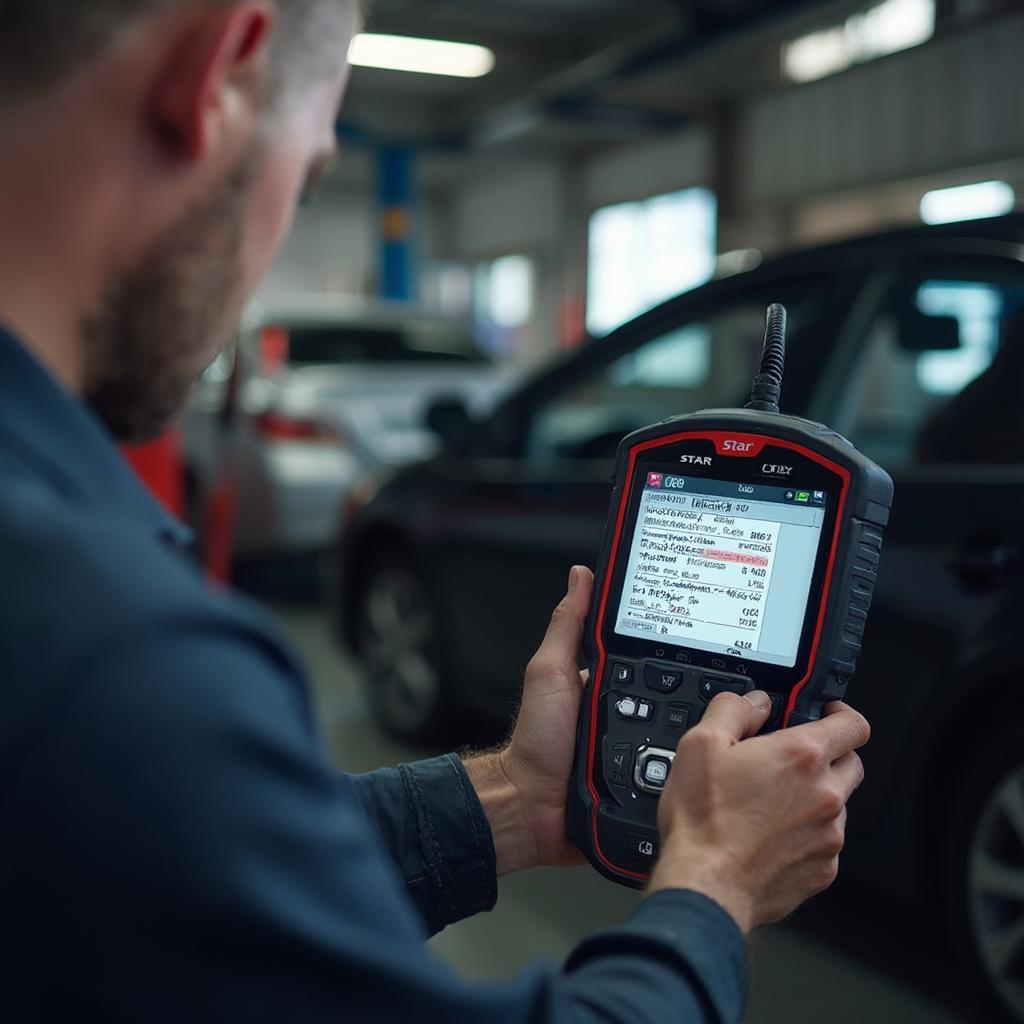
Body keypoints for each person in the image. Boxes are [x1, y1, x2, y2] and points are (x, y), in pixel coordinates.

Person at [0, 2, 870, 1021]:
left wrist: (513, 798)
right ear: (219, 72)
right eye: (312, 171)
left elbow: (151, 861)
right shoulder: (105, 649)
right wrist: (713, 886)